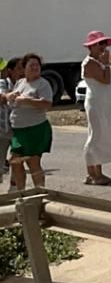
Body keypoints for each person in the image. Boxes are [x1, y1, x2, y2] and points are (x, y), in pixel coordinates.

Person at [81, 31, 111, 185]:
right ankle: (92, 173)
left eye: (104, 43)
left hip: (105, 103)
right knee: (95, 136)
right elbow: (105, 80)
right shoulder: (89, 63)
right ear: (92, 46)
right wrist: (108, 63)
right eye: (100, 44)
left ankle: (97, 172)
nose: (103, 47)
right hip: (96, 103)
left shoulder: (99, 62)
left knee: (101, 136)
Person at [7, 54, 53, 191]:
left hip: (35, 128)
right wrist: (11, 97)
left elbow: (46, 104)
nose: (35, 68)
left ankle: (39, 192)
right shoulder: (20, 82)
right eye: (31, 65)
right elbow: (13, 101)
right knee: (15, 161)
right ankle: (21, 193)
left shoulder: (43, 84)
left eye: (37, 65)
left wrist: (27, 101)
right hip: (18, 130)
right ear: (24, 68)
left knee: (33, 161)